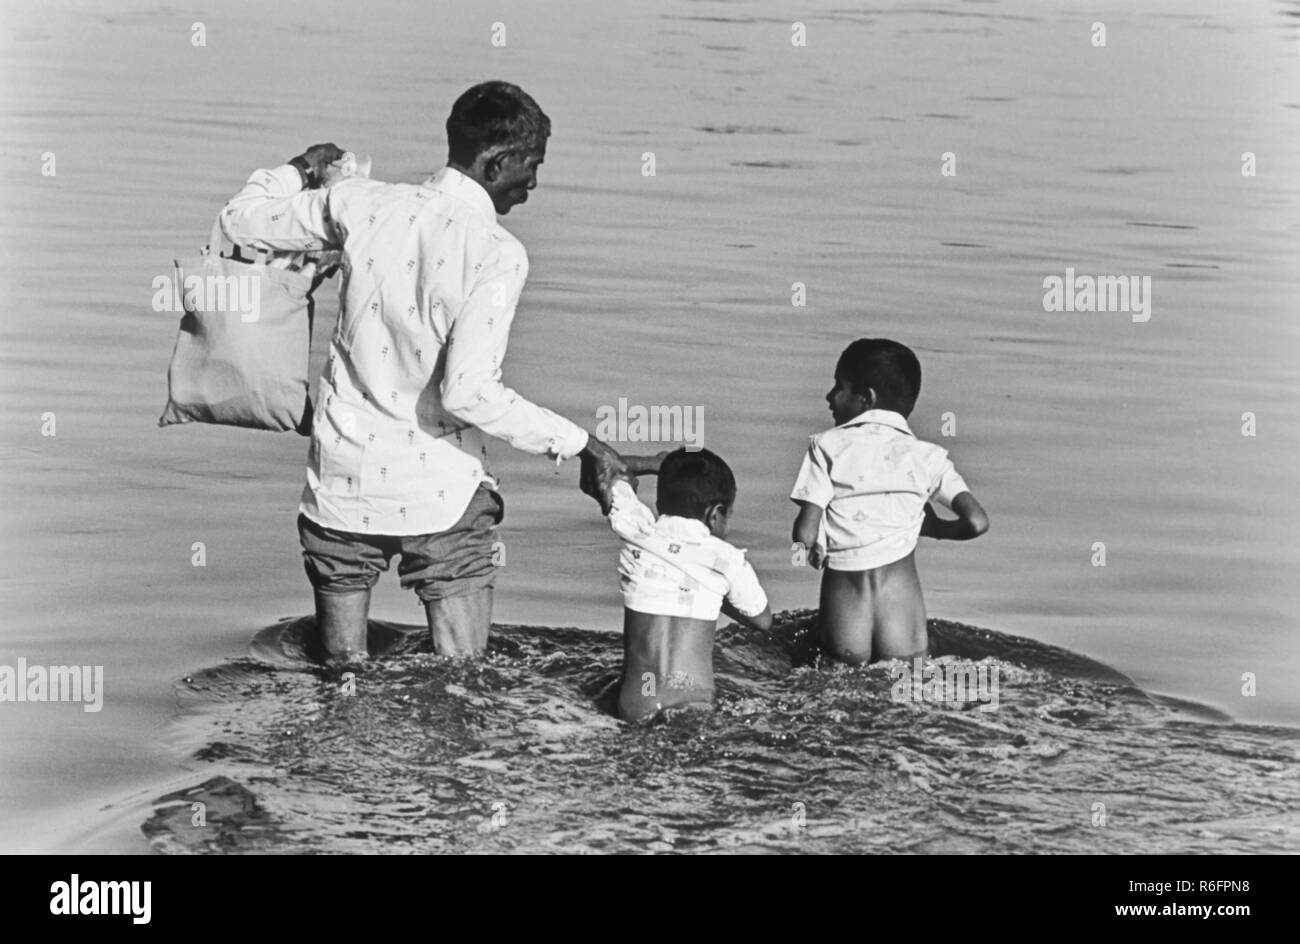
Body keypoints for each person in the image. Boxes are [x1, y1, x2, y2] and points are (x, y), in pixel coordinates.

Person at [219, 81, 626, 664]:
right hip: (441, 493)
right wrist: (579, 443)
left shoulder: (361, 202)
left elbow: (239, 221)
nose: (533, 184)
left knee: (342, 679)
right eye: (531, 166)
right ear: (498, 160)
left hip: (344, 485)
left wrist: (296, 169)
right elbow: (469, 392)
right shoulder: (496, 251)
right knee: (461, 684)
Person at [790, 339, 988, 664]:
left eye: (839, 386)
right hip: (902, 619)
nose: (829, 397)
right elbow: (977, 523)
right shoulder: (929, 458)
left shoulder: (826, 448)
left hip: (845, 613)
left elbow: (804, 535)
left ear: (866, 398)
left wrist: (814, 548)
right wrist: (936, 528)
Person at [602, 448, 772, 720]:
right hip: (693, 702)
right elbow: (762, 620)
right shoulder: (727, 560)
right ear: (715, 514)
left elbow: (610, 471)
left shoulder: (635, 530)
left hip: (639, 700)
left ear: (660, 502)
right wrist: (714, 590)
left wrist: (655, 464)